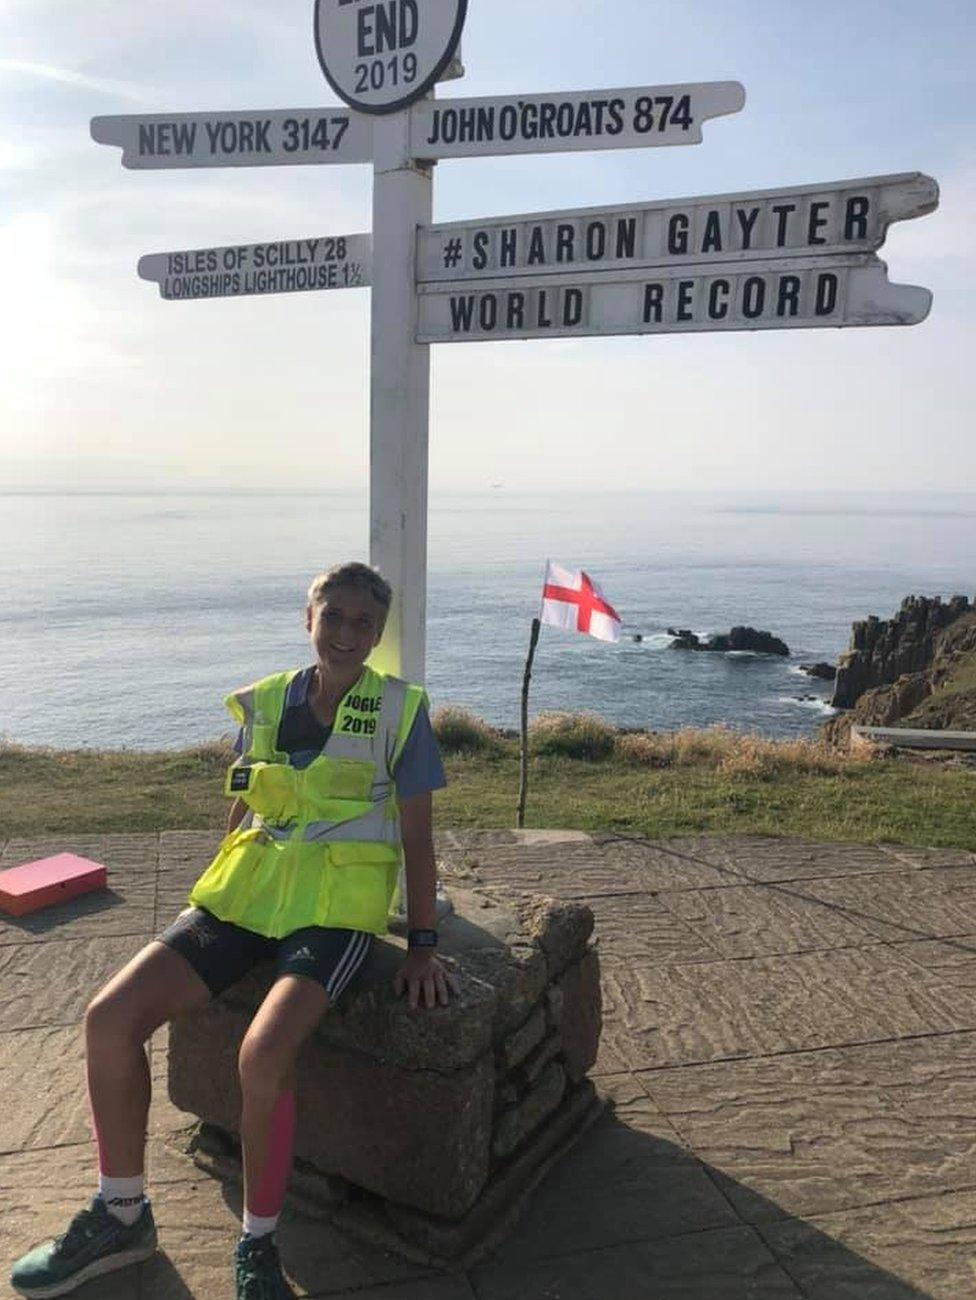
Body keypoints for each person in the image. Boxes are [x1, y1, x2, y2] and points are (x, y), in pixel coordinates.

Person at [10, 562, 456, 1300]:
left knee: (263, 1051)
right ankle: (122, 1212)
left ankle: (257, 1244)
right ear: (307, 619)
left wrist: (425, 943)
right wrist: (204, 902)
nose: (346, 633)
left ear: (377, 636)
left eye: (362, 624)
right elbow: (244, 803)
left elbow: (416, 837)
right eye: (333, 616)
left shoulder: (402, 713)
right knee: (108, 1018)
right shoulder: (266, 702)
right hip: (245, 896)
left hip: (335, 911)